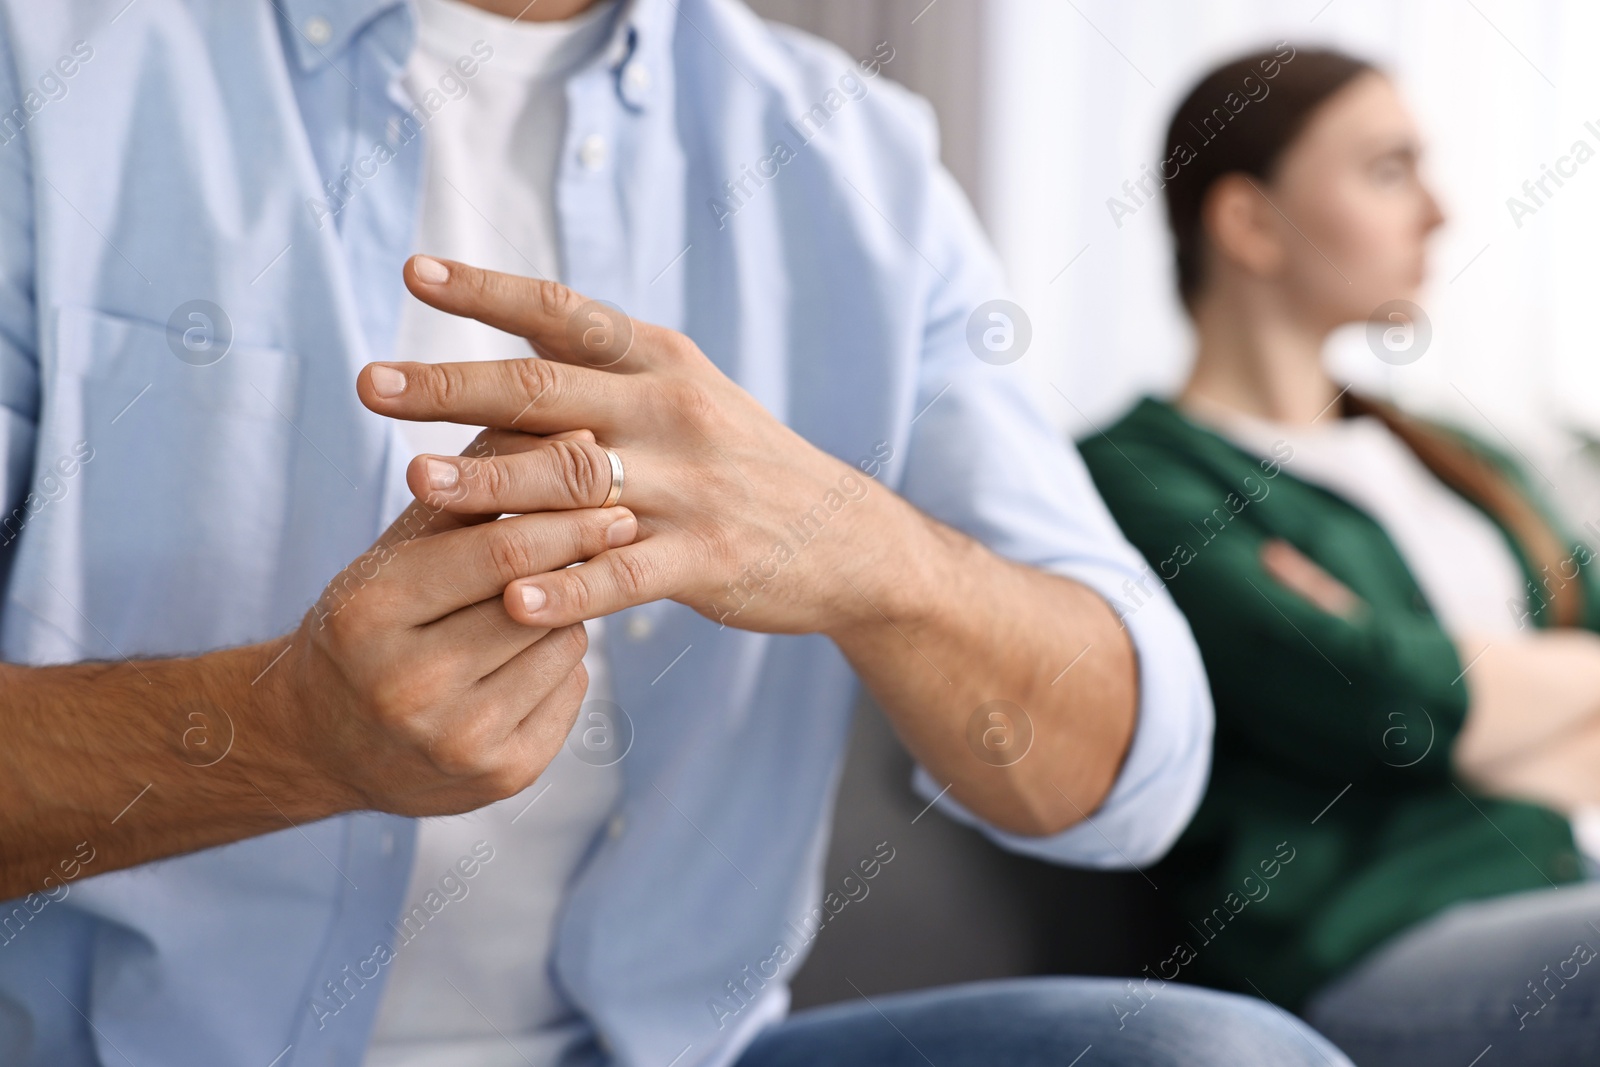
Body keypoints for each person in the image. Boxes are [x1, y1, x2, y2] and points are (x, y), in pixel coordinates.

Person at [0, 2, 1353, 1065]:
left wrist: (857, 545)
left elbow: (1129, 773)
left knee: (1213, 1053)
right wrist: (288, 730)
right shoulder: (47, 76)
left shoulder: (860, 160)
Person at [1082, 43, 1600, 1066]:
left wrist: (1466, 695)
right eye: (1385, 170)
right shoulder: (1138, 474)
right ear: (1248, 222)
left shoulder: (1459, 461)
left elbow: (1407, 693)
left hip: (1556, 894)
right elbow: (1378, 706)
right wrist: (1523, 707)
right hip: (1363, 944)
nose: (1438, 213)